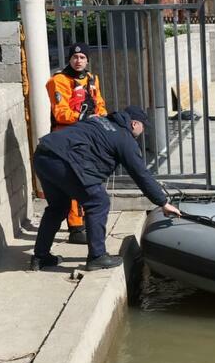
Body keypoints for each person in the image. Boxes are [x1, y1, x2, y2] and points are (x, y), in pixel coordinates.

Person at [31, 105, 181, 271]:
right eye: (143, 126)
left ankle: (40, 257)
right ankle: (97, 256)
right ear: (133, 124)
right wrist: (163, 203)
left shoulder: (100, 120)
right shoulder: (125, 139)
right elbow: (141, 174)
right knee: (98, 202)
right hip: (63, 160)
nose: (143, 131)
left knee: (57, 208)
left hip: (43, 154)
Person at [45, 42, 108, 245]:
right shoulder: (59, 80)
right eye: (75, 57)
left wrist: (101, 119)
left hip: (87, 137)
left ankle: (87, 221)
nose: (78, 61)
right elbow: (60, 112)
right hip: (66, 138)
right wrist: (83, 118)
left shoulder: (91, 79)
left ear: (87, 59)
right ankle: (75, 227)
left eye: (82, 58)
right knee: (72, 183)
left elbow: (100, 104)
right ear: (69, 59)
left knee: (88, 180)